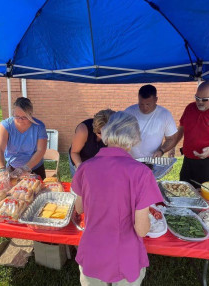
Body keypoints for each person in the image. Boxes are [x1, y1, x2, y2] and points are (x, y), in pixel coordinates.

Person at [71, 111, 163, 286]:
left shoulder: (85, 168)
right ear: (134, 138)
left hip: (93, 249)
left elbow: (80, 208)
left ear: (106, 134)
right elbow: (142, 230)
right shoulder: (142, 173)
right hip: (126, 254)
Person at [0, 97, 48, 181]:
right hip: (12, 168)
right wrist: (1, 170)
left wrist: (26, 168)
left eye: (24, 117)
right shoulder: (6, 125)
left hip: (35, 168)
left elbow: (41, 150)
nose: (20, 120)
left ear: (30, 114)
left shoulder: (39, 126)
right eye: (17, 116)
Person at [124, 84, 178, 158]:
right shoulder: (129, 112)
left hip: (152, 160)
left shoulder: (165, 114)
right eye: (141, 104)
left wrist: (161, 151)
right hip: (130, 160)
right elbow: (118, 135)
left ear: (156, 100)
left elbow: (172, 138)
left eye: (148, 104)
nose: (144, 107)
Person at [68, 109, 115, 177]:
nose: (104, 137)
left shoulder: (116, 132)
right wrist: (80, 168)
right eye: (100, 133)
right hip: (79, 158)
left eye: (108, 134)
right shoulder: (83, 130)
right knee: (80, 183)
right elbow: (74, 152)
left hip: (98, 161)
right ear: (95, 128)